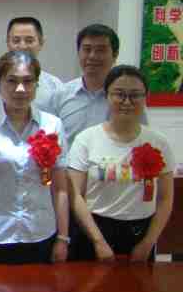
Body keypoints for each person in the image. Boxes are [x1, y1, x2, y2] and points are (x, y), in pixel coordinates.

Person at [0, 51, 70, 263]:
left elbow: (60, 189)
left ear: (37, 85)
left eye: (28, 81)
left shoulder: (52, 125)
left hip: (41, 235)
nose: (20, 89)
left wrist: (63, 238)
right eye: (12, 81)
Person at [67, 66, 175, 262]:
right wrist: (98, 241)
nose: (127, 101)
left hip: (140, 234)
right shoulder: (86, 139)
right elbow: (75, 195)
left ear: (145, 97)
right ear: (107, 96)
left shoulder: (158, 142)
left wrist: (148, 243)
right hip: (93, 231)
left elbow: (165, 198)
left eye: (135, 95)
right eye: (119, 94)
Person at [55, 24, 141, 147]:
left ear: (115, 55)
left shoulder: (128, 99)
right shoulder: (61, 95)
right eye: (87, 49)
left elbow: (139, 138)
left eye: (100, 50)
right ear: (78, 53)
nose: (92, 56)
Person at [0, 17, 64, 113]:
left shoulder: (54, 86)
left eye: (29, 41)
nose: (22, 46)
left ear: (41, 43)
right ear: (7, 43)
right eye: (16, 41)